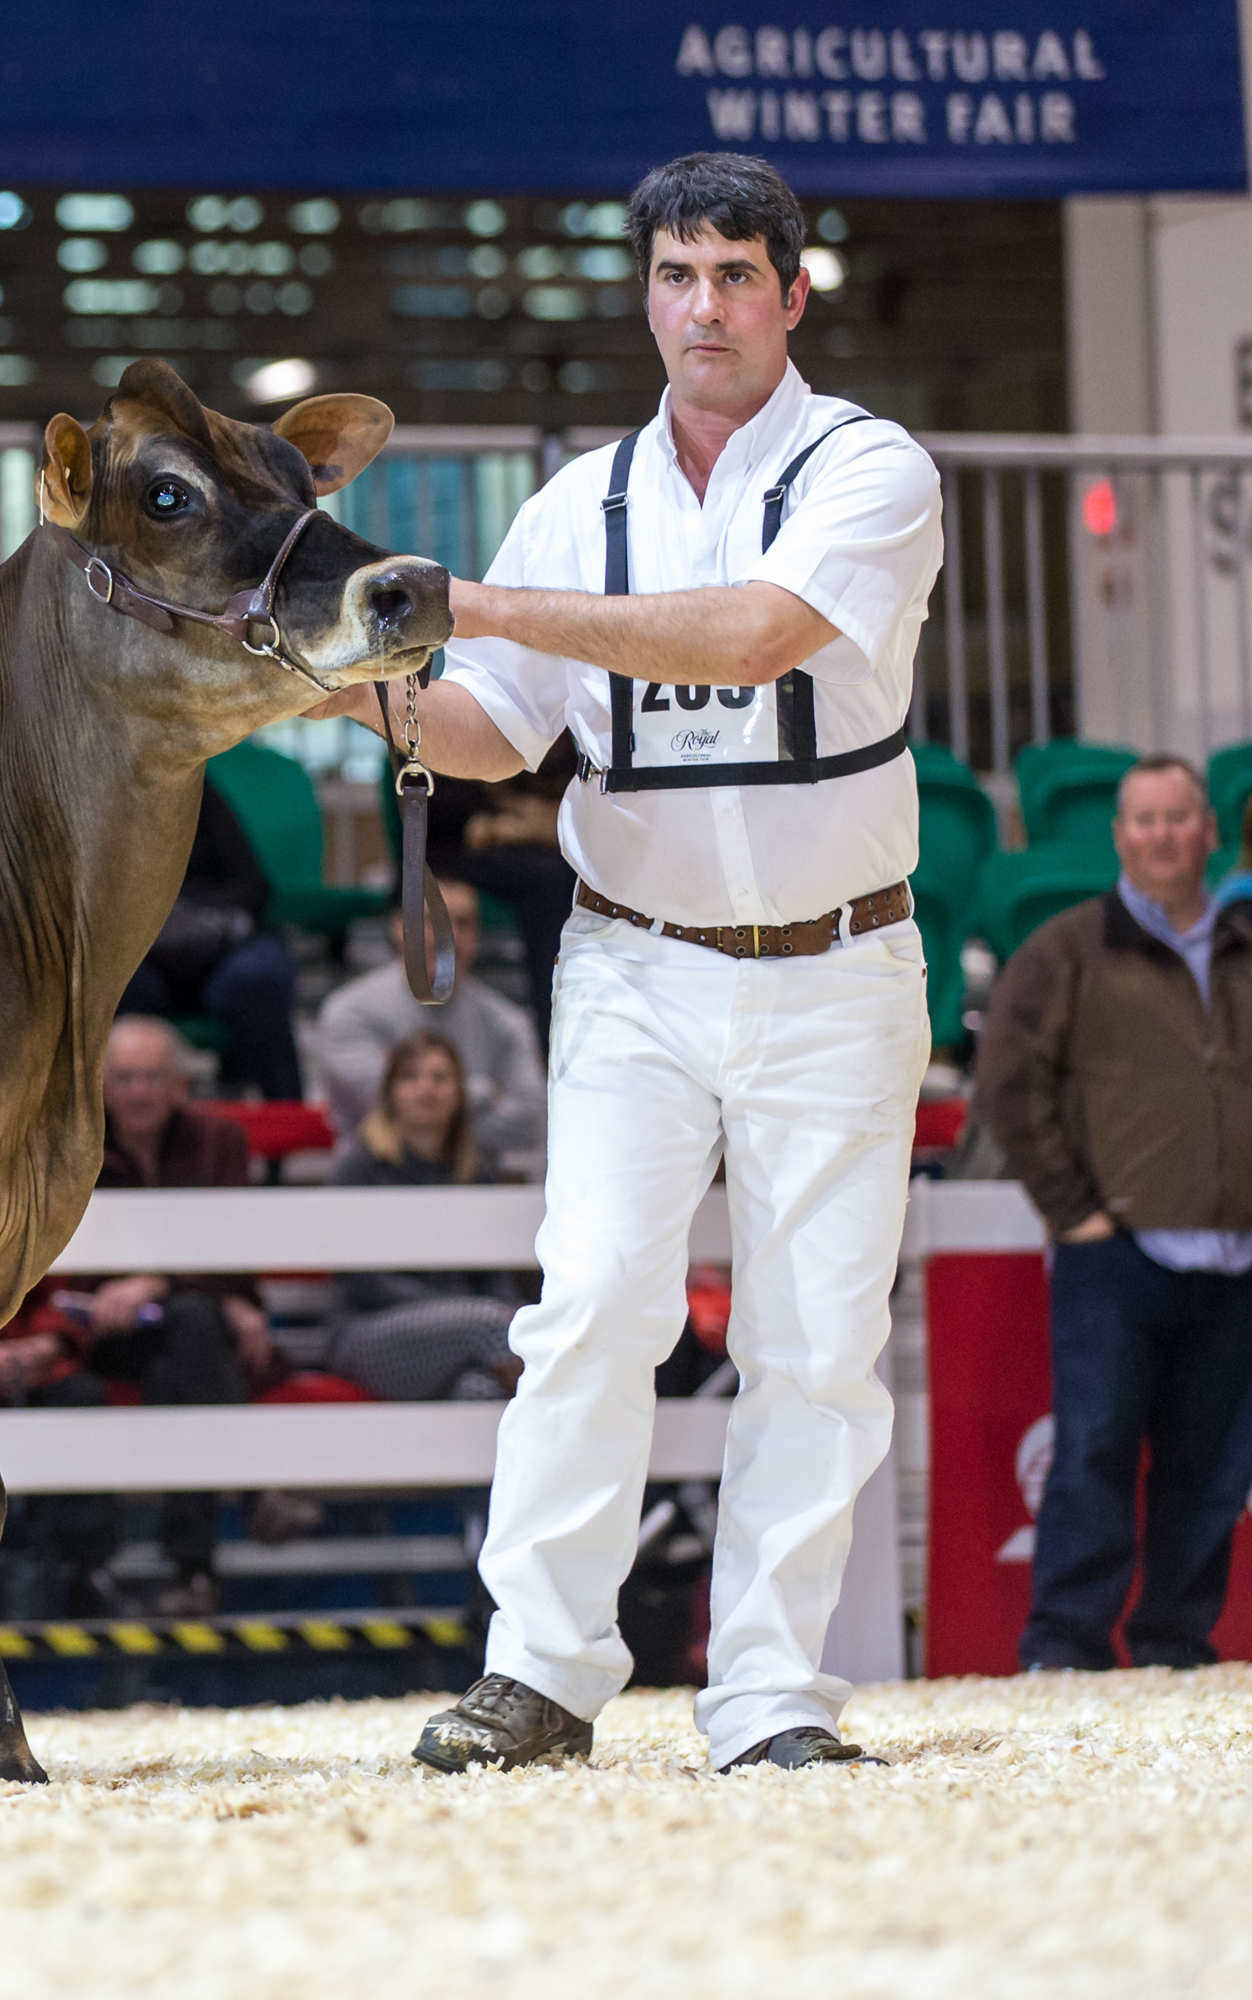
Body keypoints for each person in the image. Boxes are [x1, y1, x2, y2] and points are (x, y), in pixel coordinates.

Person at [307, 153, 942, 1774]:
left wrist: (479, 601)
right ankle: (541, 1674)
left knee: (816, 1344)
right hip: (634, 963)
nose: (703, 306)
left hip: (839, 966)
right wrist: (331, 678)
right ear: (646, 297)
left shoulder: (871, 467)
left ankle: (770, 1693)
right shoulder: (578, 503)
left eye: (734, 275)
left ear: (793, 297)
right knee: (588, 1305)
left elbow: (752, 636)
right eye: (676, 276)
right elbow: (488, 732)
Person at [977, 756, 1252, 1672]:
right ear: (1119, 836)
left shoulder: (1246, 945)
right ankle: (1065, 1648)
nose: (1162, 835)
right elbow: (1008, 1084)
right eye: (1144, 820)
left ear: (1209, 832)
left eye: (1179, 818)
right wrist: (1074, 1212)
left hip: (1236, 1253)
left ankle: (1176, 1644)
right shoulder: (1067, 948)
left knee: (1212, 1471)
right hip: (1115, 1253)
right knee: (1093, 1453)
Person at [0, 1015, 278, 1612]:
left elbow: (236, 1257)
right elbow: (57, 1269)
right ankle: (218, 1532)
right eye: (124, 1078)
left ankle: (182, 1566)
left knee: (190, 1333)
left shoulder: (220, 1143)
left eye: (152, 1077)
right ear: (101, 1086)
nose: (138, 1092)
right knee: (172, 1347)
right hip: (91, 1331)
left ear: (180, 1085)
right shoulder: (68, 1147)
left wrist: (154, 1283)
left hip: (187, 1331)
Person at [326, 1032, 525, 1401]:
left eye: (440, 1077)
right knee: (488, 1325)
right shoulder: (362, 1169)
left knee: (477, 1392)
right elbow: (364, 1283)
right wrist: (459, 1309)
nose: (426, 1088)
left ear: (458, 1092)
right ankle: (559, 1425)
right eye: (410, 1076)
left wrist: (502, 1313)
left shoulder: (476, 1175)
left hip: (461, 1330)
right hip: (371, 1333)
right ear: (390, 1092)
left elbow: (494, 1277)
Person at [315, 880, 547, 1157]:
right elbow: (389, 1106)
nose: (449, 935)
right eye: (432, 920)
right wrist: (485, 1093)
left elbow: (531, 1122)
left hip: (477, 1179)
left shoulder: (506, 1021)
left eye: (463, 923)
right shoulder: (349, 1011)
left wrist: (419, 1100)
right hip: (372, 1176)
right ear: (399, 927)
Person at [119, 785, 302, 1100]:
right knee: (100, 983)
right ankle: (108, 1123)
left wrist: (193, 919)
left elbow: (254, 887)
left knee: (259, 977)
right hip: (138, 954)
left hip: (221, 944)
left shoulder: (193, 788)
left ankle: (286, 1117)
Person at [424, 738, 585, 1046]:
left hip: (545, 844)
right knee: (548, 879)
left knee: (568, 872)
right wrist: (502, 824)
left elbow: (572, 789)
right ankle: (551, 1028)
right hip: (462, 851)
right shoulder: (448, 719)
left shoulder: (560, 731)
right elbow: (443, 813)